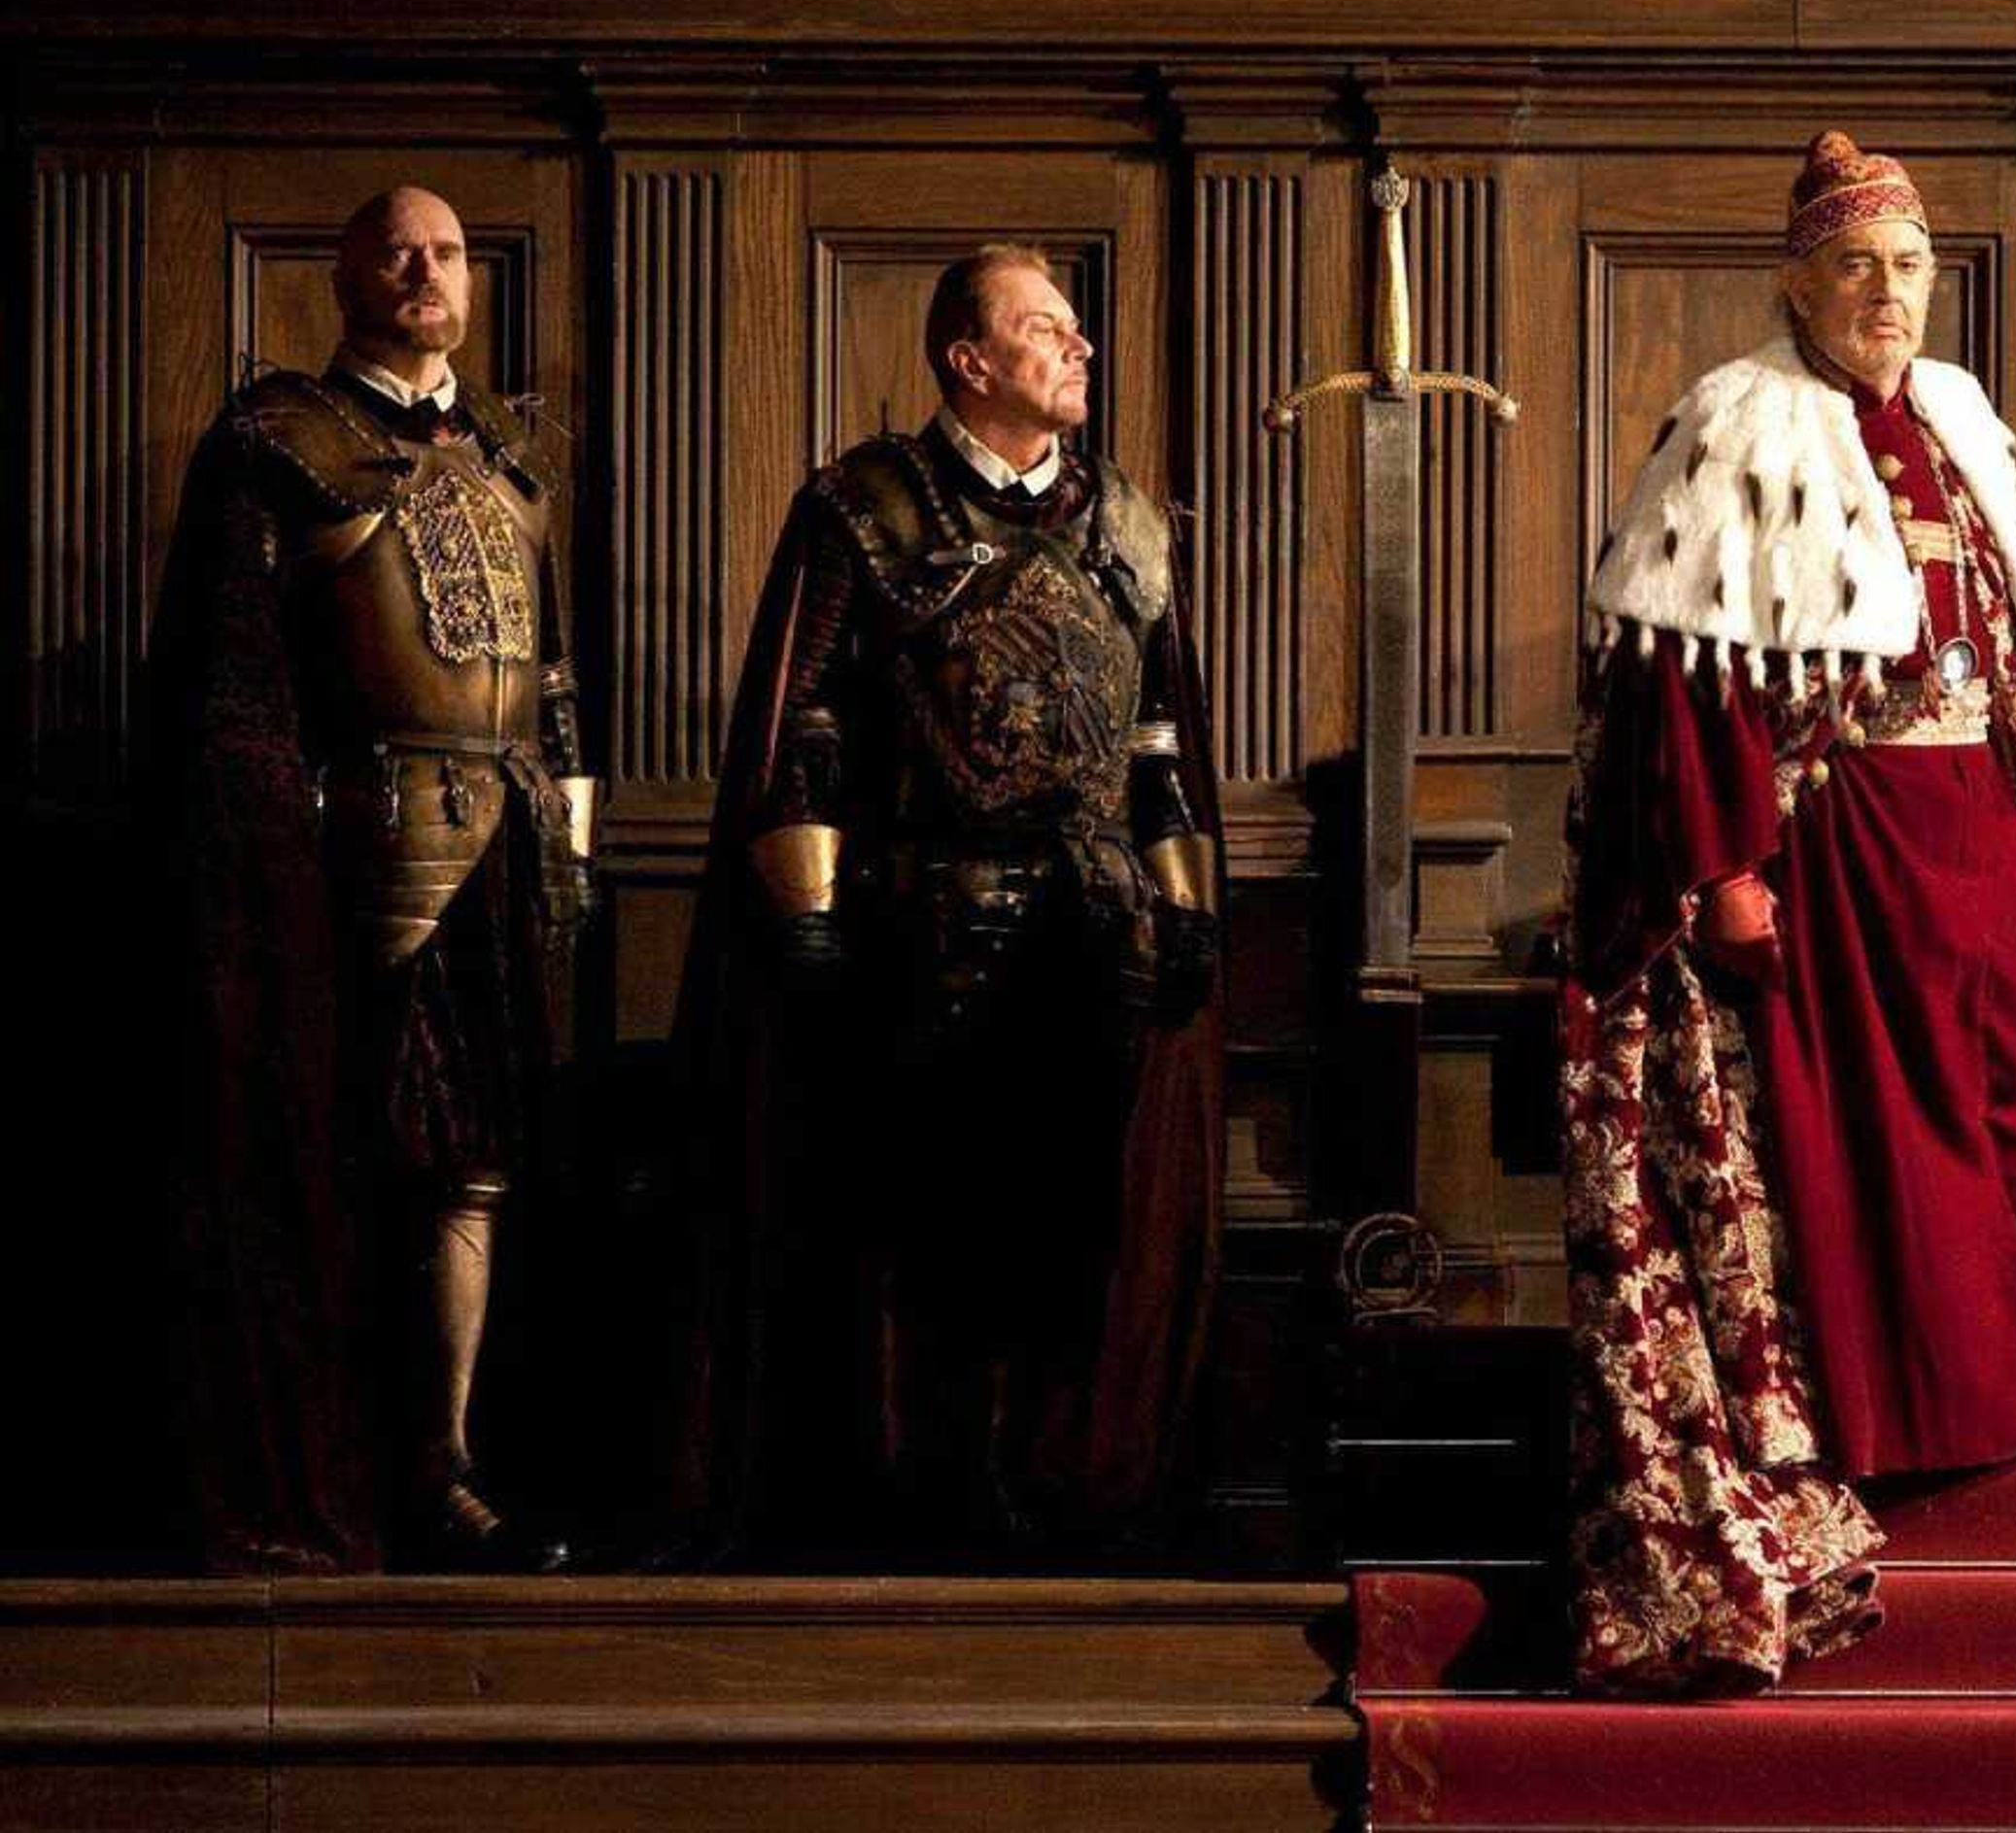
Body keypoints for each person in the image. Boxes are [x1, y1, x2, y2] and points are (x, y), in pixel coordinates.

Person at [1559, 130, 2016, 1690]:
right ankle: (1935, 1416)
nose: (1889, 294)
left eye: (1911, 267)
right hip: (1849, 832)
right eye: (1860, 265)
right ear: (1799, 277)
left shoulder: (1952, 418)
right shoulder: (1737, 424)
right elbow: (1693, 668)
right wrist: (1726, 867)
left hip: (1984, 825)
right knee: (1906, 1132)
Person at [670, 246, 1222, 1560]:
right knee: (920, 1235)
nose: (1080, 350)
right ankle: (923, 1491)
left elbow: (1159, 746)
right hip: (920, 925)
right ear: (970, 360)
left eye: (1080, 330)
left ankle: (1055, 1490)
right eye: (1048, 330)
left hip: (1095, 932)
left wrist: (1187, 903)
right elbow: (800, 725)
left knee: (1070, 1230)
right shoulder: (865, 505)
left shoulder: (1131, 525)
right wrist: (803, 907)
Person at [146, 187, 591, 1572]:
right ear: (342, 273)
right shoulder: (278, 439)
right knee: (330, 1167)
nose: (424, 269)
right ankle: (336, 1460)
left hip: (504, 854)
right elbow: (231, 690)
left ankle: (445, 1461)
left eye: (450, 250)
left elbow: (555, 684)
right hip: (340, 861)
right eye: (397, 249)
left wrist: (572, 858)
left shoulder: (515, 453)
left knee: (476, 1170)